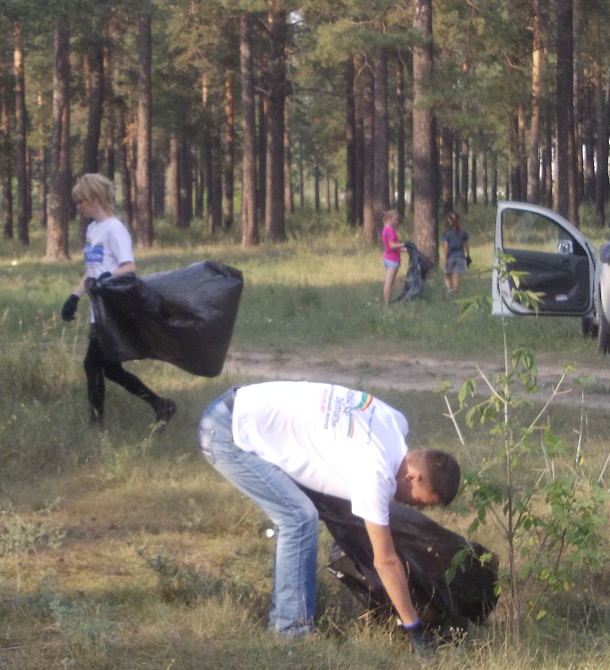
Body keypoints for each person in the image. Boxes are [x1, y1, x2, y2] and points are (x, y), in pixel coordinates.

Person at [197, 381, 460, 646]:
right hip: (227, 433)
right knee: (299, 518)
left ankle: (291, 620)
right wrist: (413, 627)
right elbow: (386, 562)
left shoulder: (395, 422)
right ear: (413, 477)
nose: (419, 508)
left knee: (314, 511)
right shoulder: (376, 473)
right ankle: (290, 631)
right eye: (424, 502)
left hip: (240, 404)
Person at [61, 173, 176, 429]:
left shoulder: (114, 229)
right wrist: (74, 297)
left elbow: (129, 268)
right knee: (111, 370)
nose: (78, 207)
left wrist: (106, 277)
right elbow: (92, 270)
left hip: (113, 311)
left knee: (92, 365)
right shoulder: (92, 229)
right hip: (97, 310)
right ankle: (161, 405)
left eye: (80, 201)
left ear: (94, 199)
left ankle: (96, 424)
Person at [441, 212, 471, 294]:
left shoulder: (447, 233)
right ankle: (455, 292)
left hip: (450, 256)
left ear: (449, 220)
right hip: (460, 256)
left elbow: (445, 247)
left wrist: (445, 258)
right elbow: (466, 245)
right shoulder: (463, 232)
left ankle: (449, 290)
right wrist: (468, 255)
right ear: (459, 220)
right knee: (457, 276)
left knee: (447, 275)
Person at [381, 210, 405, 304]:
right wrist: (404, 244)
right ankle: (387, 303)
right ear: (389, 219)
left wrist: (406, 249)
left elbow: (391, 246)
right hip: (392, 259)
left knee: (389, 282)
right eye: (395, 219)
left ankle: (388, 301)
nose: (396, 222)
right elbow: (392, 245)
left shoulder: (385, 229)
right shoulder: (390, 230)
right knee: (389, 282)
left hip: (387, 257)